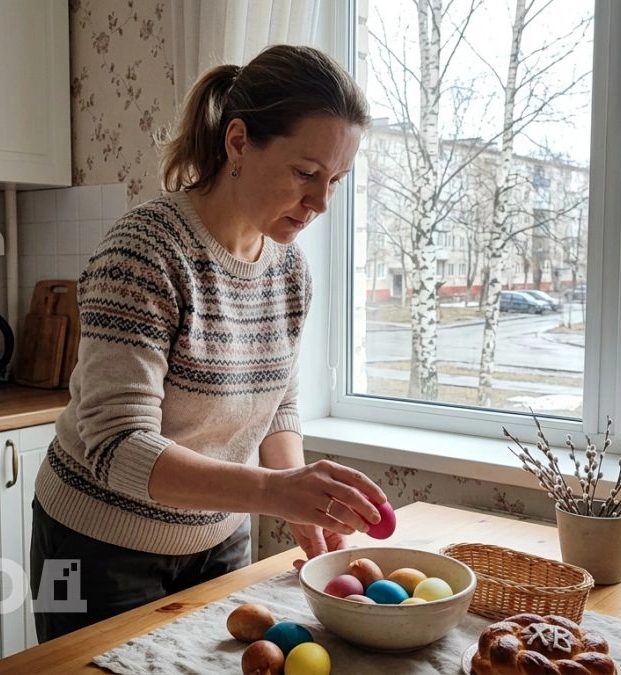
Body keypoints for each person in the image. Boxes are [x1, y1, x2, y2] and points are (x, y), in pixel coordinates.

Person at [28, 44, 387, 642]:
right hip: (88, 543)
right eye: (306, 173)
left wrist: (304, 511)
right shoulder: (145, 251)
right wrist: (278, 493)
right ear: (239, 142)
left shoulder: (289, 269)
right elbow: (119, 446)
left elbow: (279, 407)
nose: (322, 202)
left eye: (336, 180)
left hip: (218, 539)